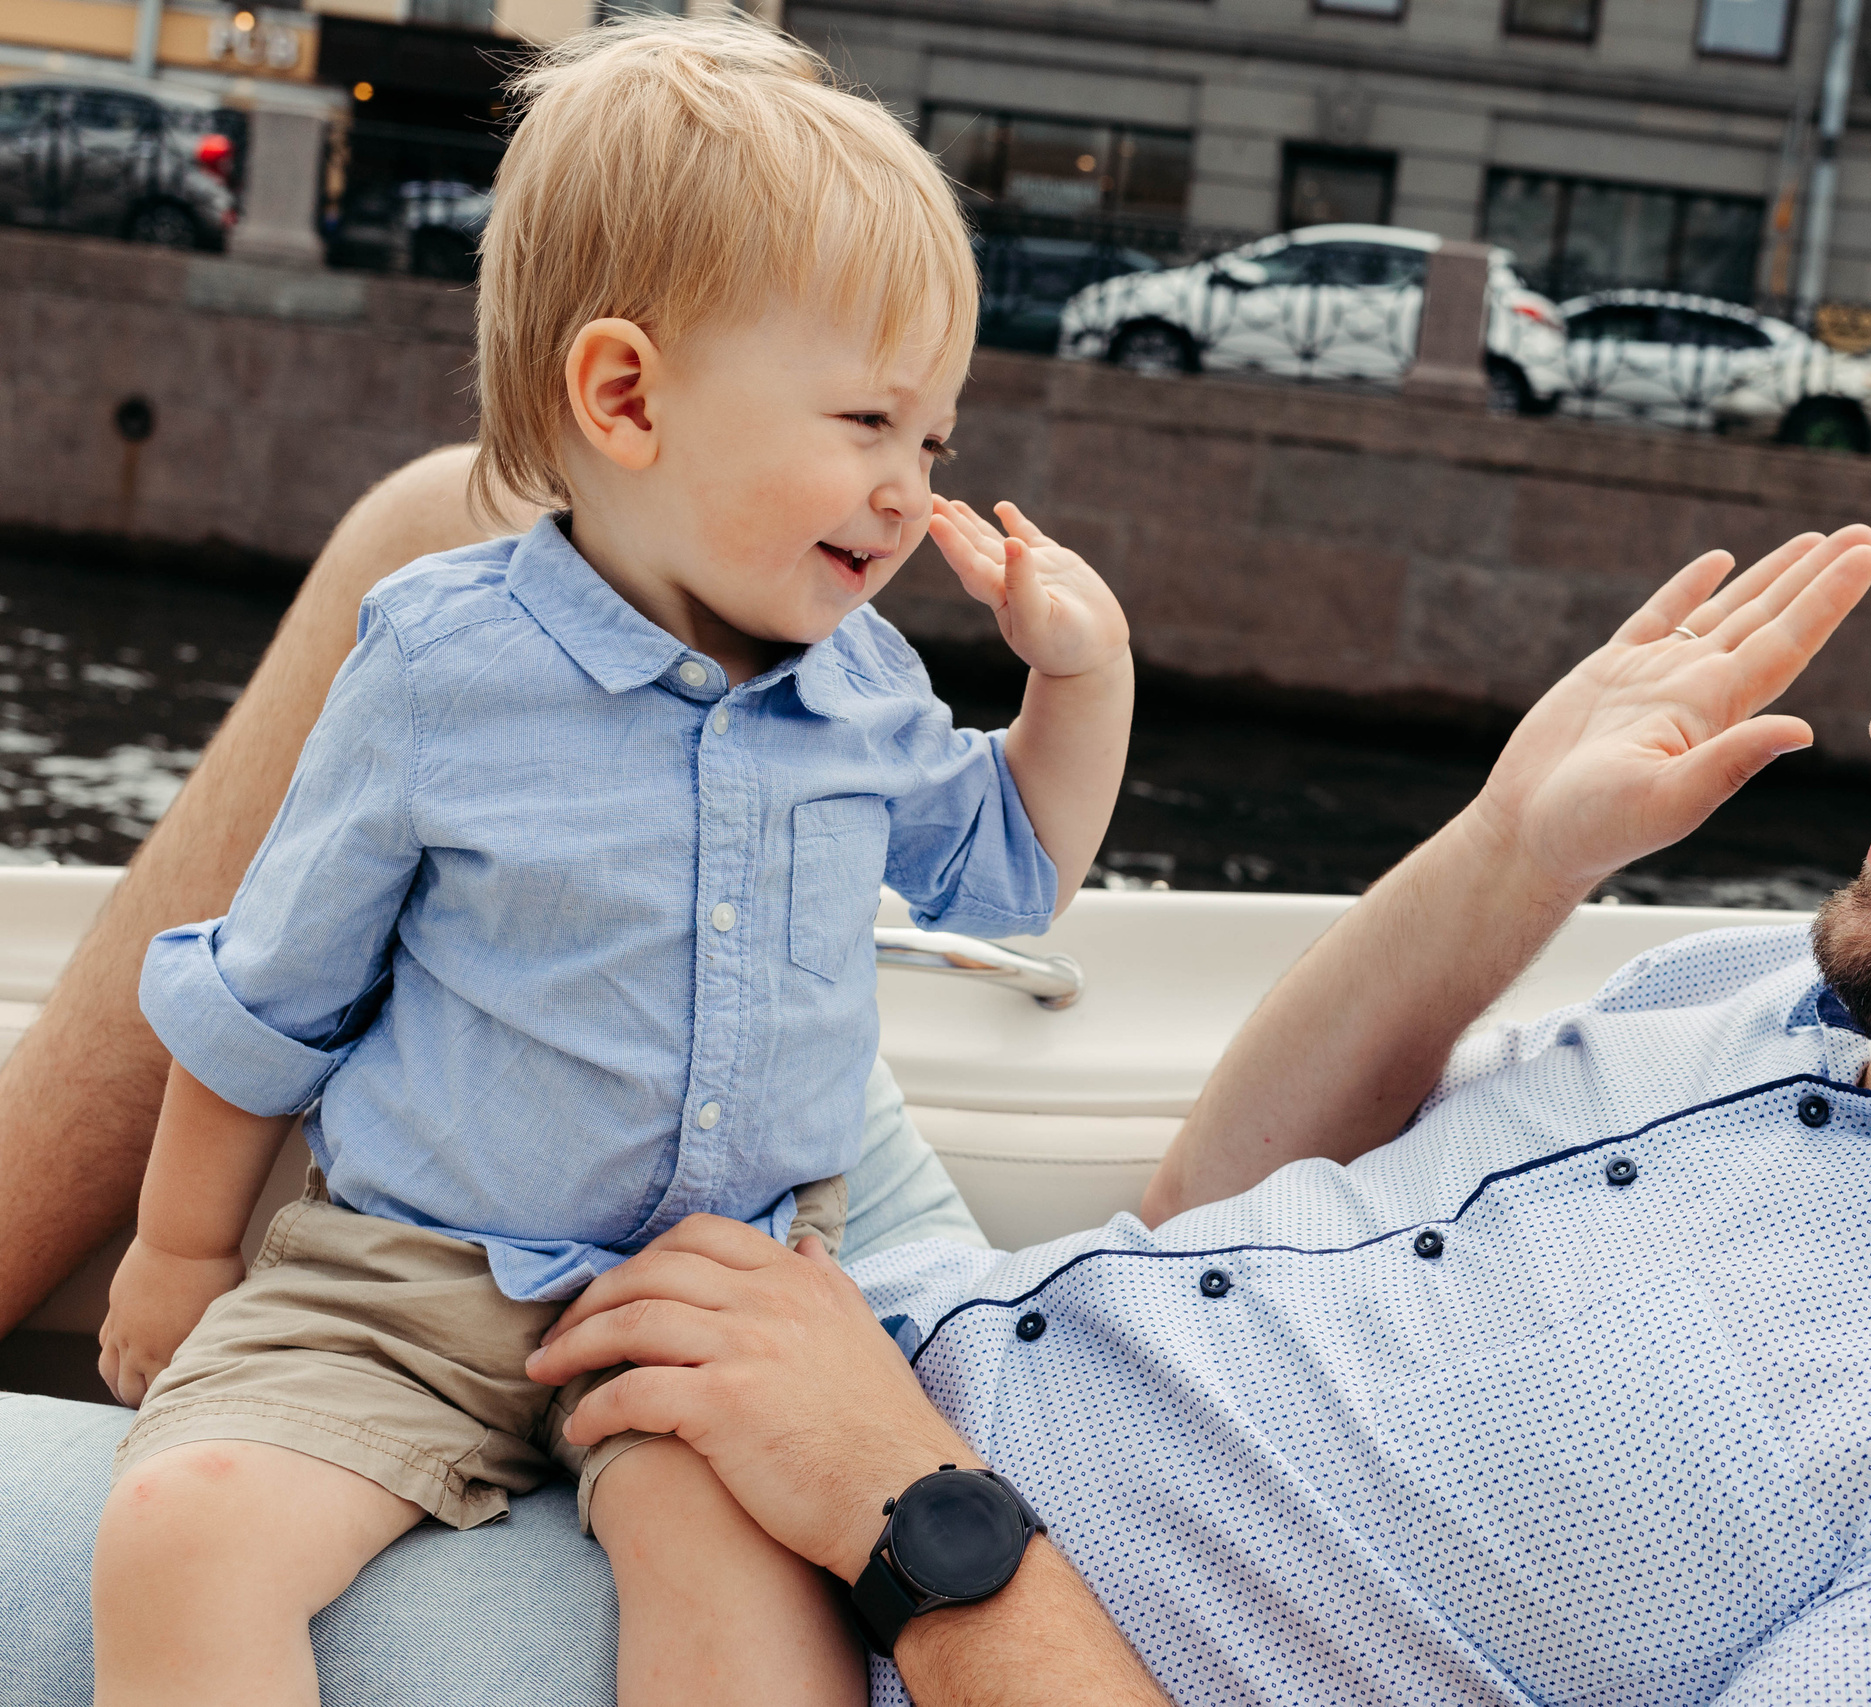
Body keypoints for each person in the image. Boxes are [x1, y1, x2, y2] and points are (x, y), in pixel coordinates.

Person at [2, 445, 1871, 1705]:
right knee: (486, 534)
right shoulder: (1768, 1010)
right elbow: (1214, 1218)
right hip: (921, 1344)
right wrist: (1509, 845)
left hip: (818, 1600)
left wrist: (909, 1514)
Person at [79, 19, 1132, 1706]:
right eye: (869, 420)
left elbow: (1012, 872)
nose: (906, 492)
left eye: (932, 445)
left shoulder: (865, 690)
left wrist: (1083, 683)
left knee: (756, 1608)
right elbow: (270, 994)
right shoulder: (439, 667)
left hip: (720, 1309)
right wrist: (181, 1254)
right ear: (626, 397)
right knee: (176, 1529)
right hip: (402, 1288)